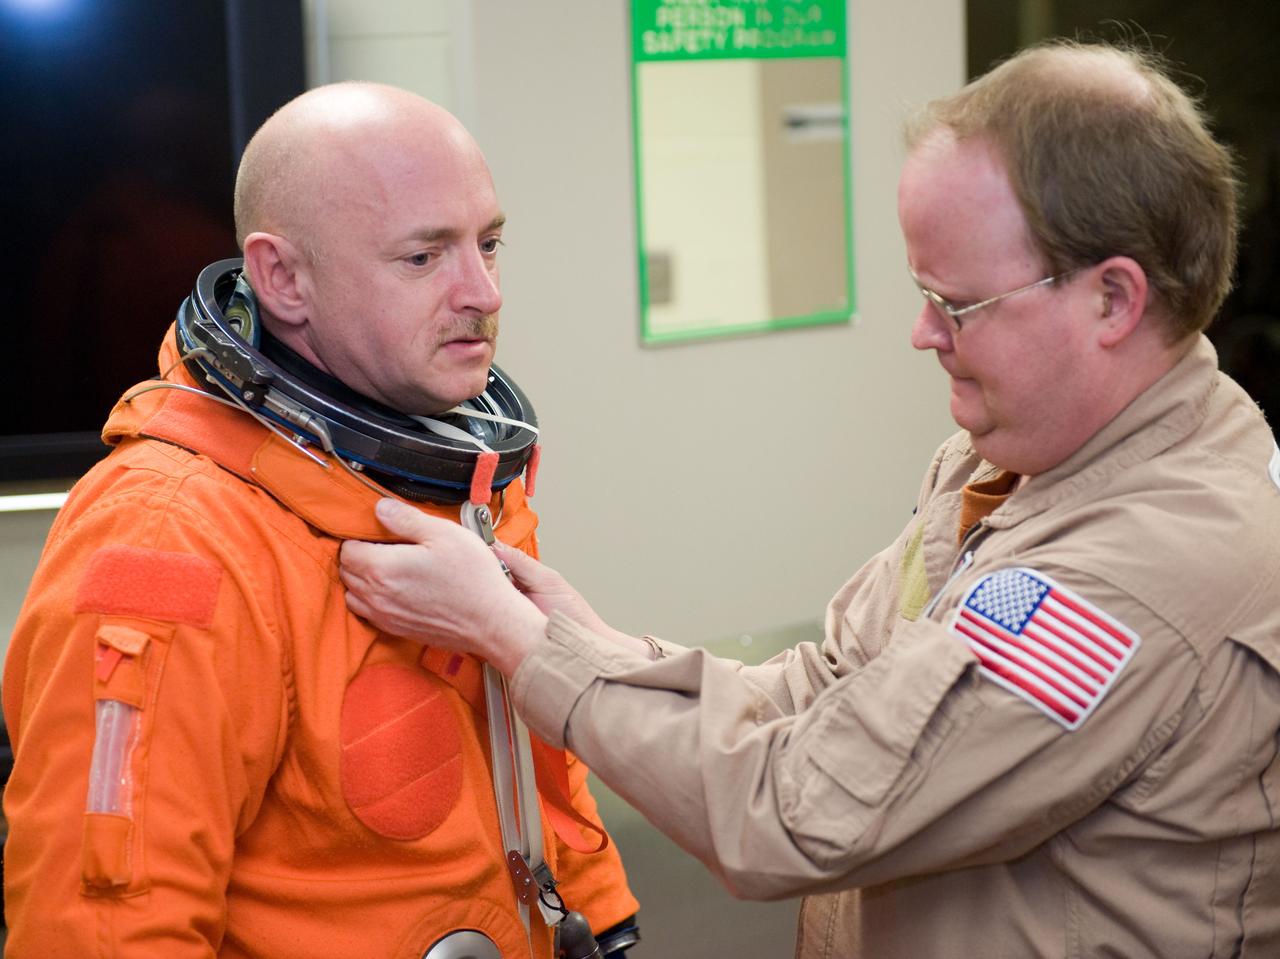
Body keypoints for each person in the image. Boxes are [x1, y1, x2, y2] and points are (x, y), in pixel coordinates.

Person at [339, 42, 1280, 958]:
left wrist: (517, 641)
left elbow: (797, 812)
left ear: (1113, 300)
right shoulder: (1014, 461)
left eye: (956, 305)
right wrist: (588, 646)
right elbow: (831, 685)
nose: (923, 334)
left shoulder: (1136, 570)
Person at [3, 82, 639, 958]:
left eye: (489, 243)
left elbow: (538, 780)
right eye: (424, 257)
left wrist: (603, 924)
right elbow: (108, 923)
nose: (482, 291)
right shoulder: (169, 534)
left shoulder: (457, 481)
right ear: (283, 278)